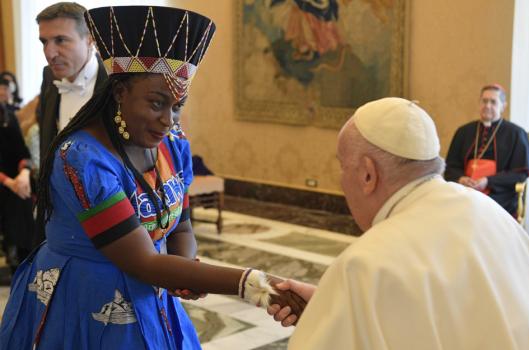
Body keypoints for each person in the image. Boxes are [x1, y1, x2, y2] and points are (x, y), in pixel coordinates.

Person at [0, 5, 305, 349]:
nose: (169, 120)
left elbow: (182, 226)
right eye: (157, 103)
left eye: (178, 106)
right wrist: (259, 284)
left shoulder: (173, 145)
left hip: (154, 286)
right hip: (89, 297)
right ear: (119, 93)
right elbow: (143, 261)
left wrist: (184, 268)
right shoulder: (83, 160)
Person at [267, 97, 529, 349]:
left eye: (343, 166)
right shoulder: (490, 212)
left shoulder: (365, 265)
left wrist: (339, 307)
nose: (342, 179)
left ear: (368, 174)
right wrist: (334, 307)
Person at [444, 84, 529, 216]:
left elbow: (520, 174)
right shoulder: (463, 131)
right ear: (479, 103)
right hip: (465, 190)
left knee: (478, 208)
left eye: (493, 102)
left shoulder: (516, 133)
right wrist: (461, 178)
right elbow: (451, 167)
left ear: (503, 106)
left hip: (499, 194)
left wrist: (488, 181)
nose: (487, 105)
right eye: (484, 101)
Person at [36, 2, 108, 165]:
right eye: (44, 42)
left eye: (60, 40)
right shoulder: (48, 76)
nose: (49, 53)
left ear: (90, 40)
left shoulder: (115, 81)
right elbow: (46, 139)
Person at [0, 101, 34, 273]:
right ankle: (15, 251)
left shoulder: (8, 117)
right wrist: (8, 182)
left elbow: (23, 153)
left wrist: (24, 174)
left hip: (15, 180)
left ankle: (23, 253)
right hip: (5, 182)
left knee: (23, 194)